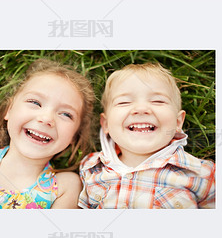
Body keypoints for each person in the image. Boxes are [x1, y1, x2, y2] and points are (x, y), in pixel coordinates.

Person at [0, 58, 94, 209]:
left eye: (66, 114)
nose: (46, 119)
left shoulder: (65, 187)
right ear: (9, 109)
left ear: (74, 135)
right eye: (35, 103)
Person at [79, 63, 215, 209]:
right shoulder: (90, 167)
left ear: (178, 121)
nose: (141, 109)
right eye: (124, 102)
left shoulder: (203, 174)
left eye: (158, 101)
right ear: (105, 124)